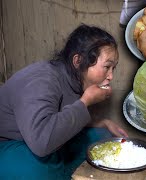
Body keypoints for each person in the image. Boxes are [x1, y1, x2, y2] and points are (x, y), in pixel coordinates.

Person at [0, 24, 128, 179]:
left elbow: (60, 113)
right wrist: (85, 101)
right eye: (107, 67)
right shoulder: (42, 80)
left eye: (113, 68)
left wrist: (99, 122)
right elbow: (41, 142)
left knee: (103, 137)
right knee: (41, 171)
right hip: (10, 145)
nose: (111, 77)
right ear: (78, 61)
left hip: (41, 139)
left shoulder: (73, 78)